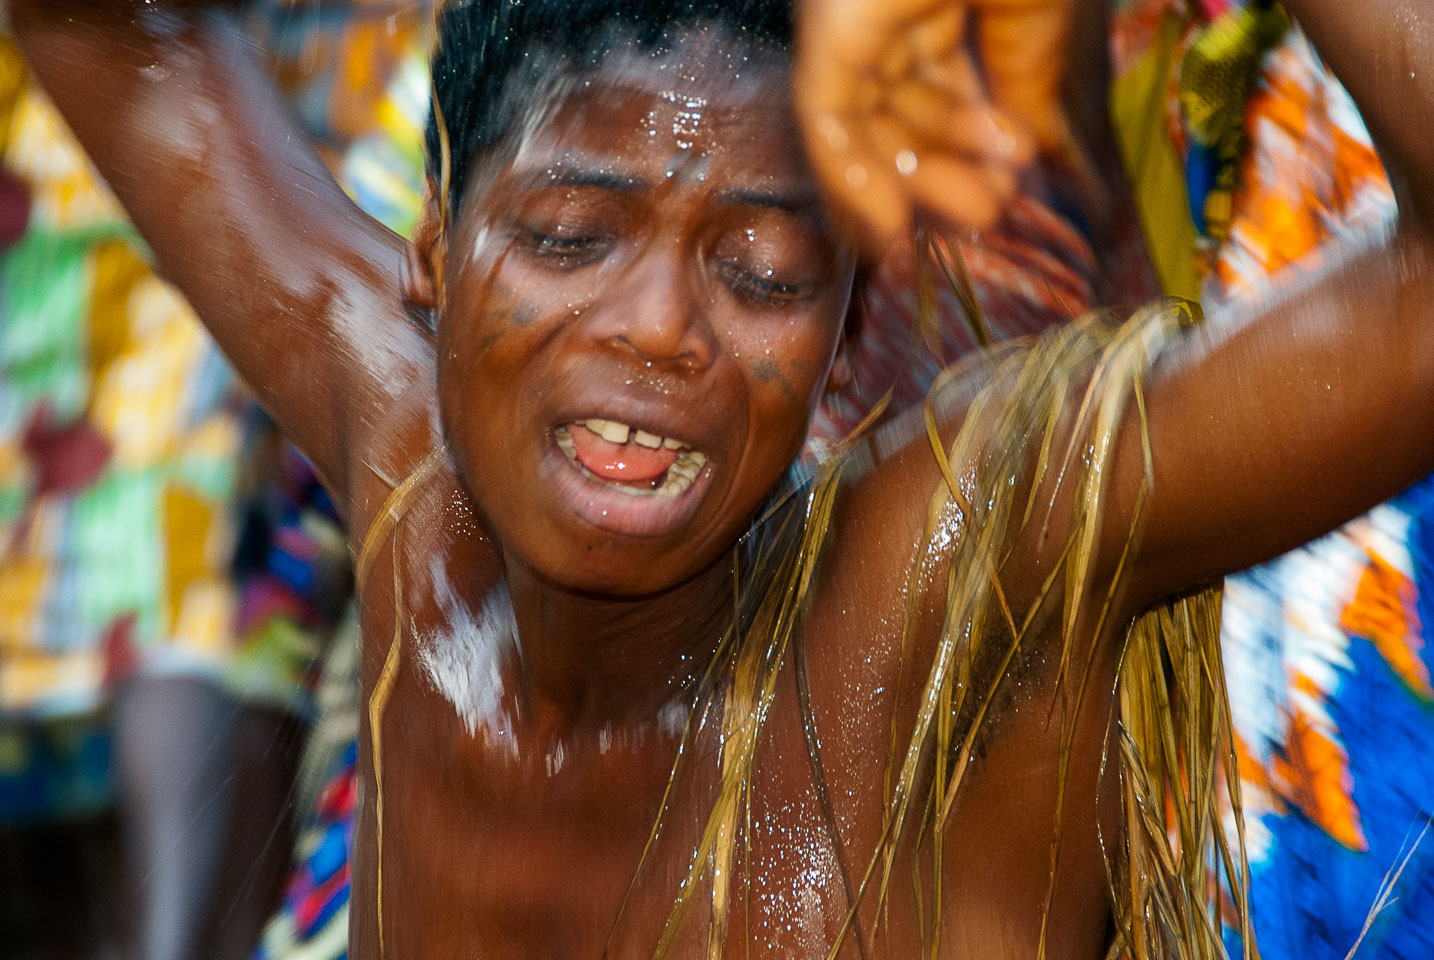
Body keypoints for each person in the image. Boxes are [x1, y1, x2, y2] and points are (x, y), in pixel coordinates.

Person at [10, 1, 1434, 958]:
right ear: (434, 245)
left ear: (845, 317)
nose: (656, 330)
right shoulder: (408, 475)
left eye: (760, 272)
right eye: (571, 236)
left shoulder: (952, 561)